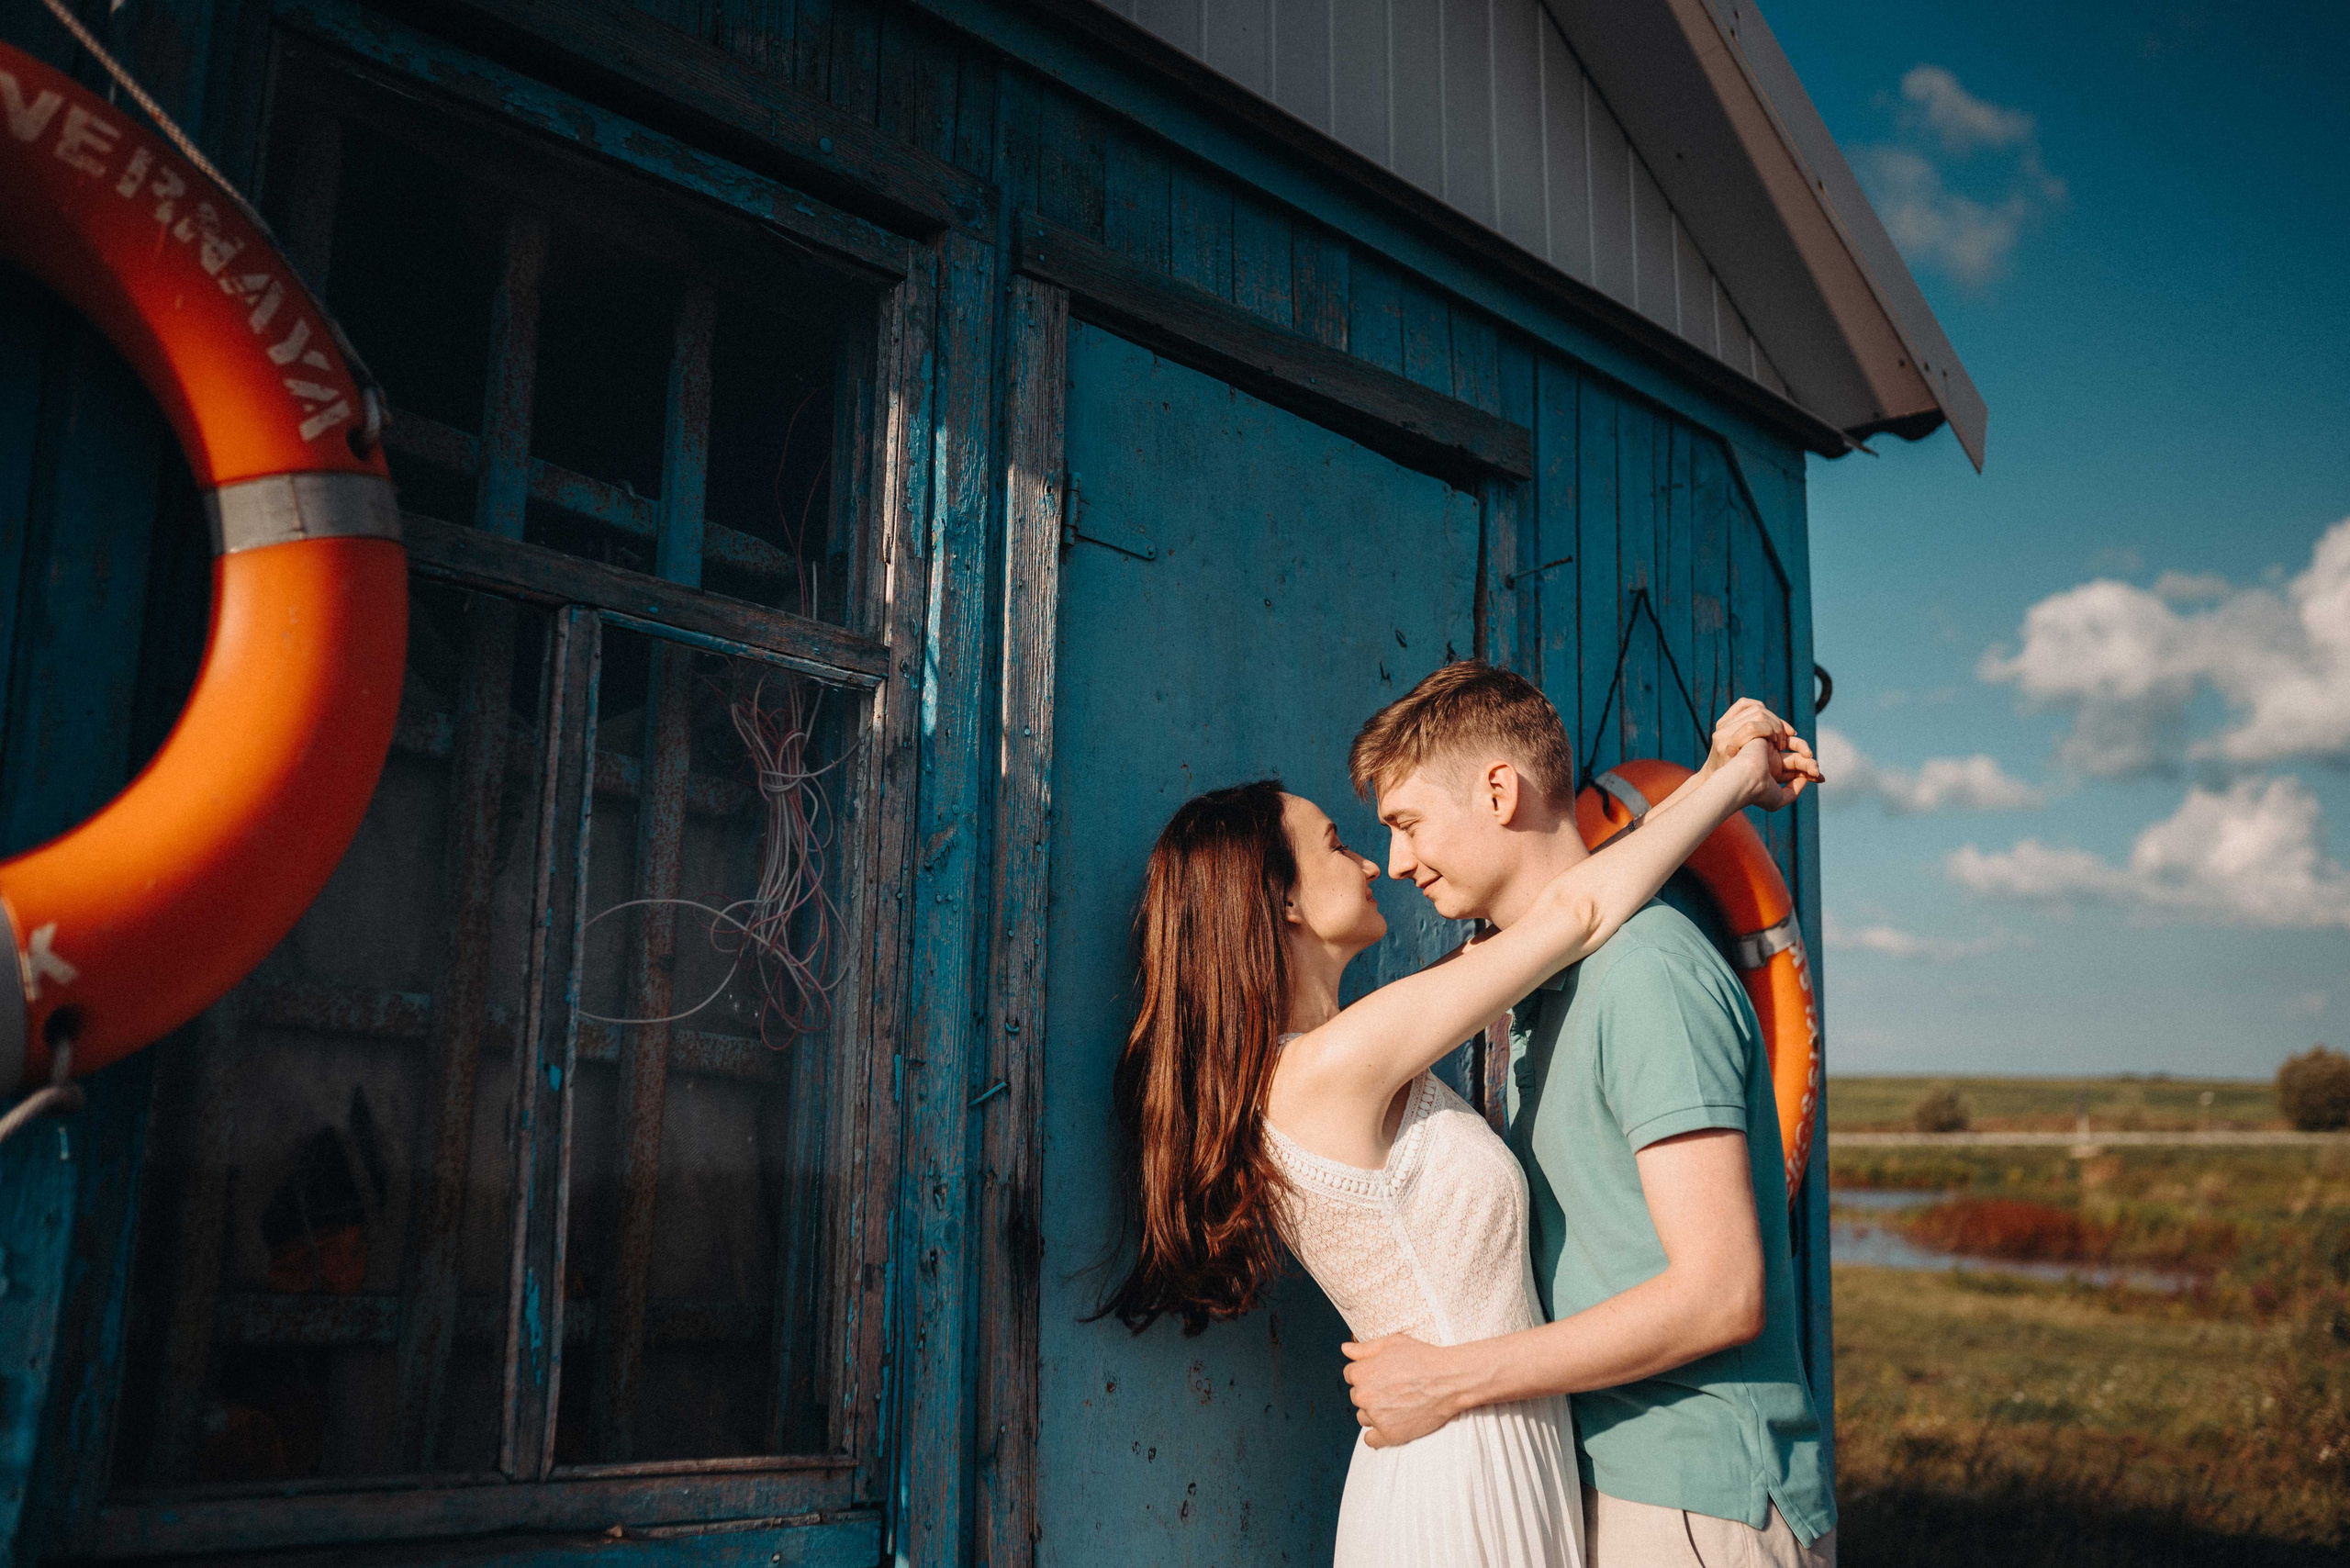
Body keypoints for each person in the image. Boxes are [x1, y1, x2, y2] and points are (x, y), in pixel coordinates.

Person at [1095, 671, 1818, 1568]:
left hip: (1500, 1441)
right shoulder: (1332, 1065)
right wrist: (1726, 781)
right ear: (1281, 901)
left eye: (1396, 827)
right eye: (1336, 843)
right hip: (1461, 1460)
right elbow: (1578, 909)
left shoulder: (1345, 1056)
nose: (1377, 863)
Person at [1339, 663, 1838, 1567]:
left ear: (1498, 791)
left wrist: (1447, 1382)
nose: (1401, 862)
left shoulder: (1646, 976)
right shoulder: (1539, 998)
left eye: (1407, 824)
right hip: (1605, 1485)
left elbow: (1721, 1294)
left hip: (1696, 1501)